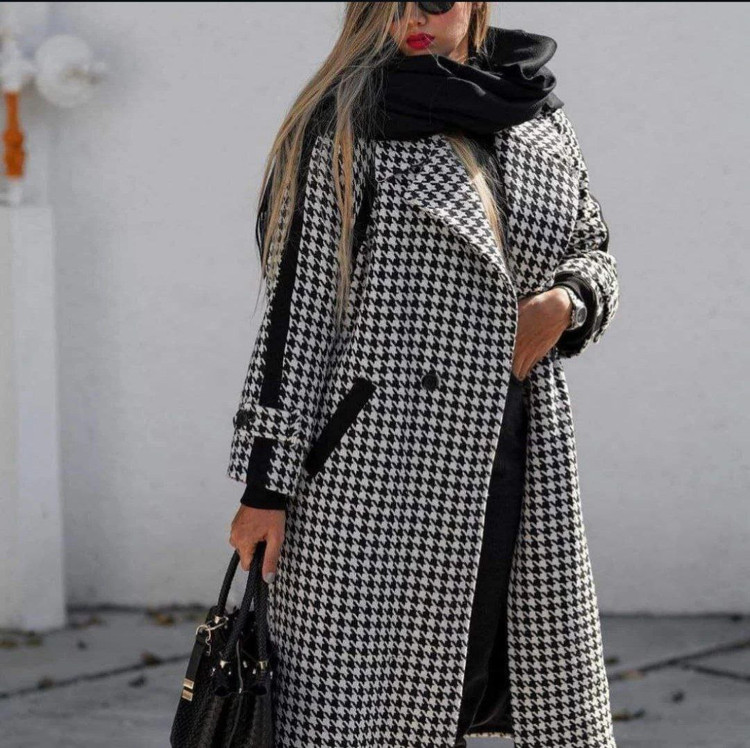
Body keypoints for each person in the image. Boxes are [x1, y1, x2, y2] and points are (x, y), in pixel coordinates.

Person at [227, 3, 620, 746]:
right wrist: (264, 488)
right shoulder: (346, 123)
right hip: (378, 469)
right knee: (370, 707)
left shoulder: (535, 113)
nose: (412, 15)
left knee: (504, 677)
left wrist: (568, 303)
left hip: (517, 446)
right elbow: (298, 316)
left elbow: (593, 246)